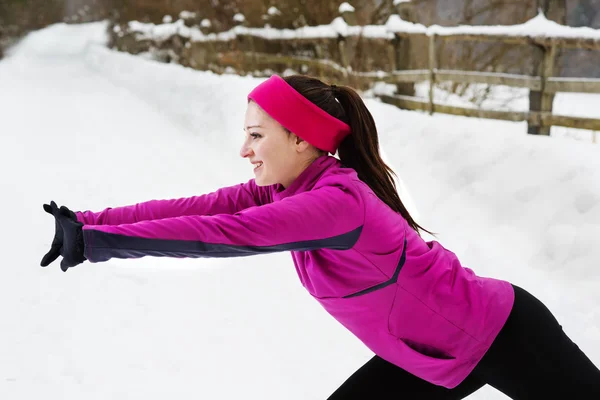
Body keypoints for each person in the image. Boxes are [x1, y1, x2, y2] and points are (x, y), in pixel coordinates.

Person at [41, 74, 599, 398]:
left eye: (256, 135)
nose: (245, 151)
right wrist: (89, 221)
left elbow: (218, 236)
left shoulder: (335, 203)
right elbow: (196, 208)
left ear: (303, 139)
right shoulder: (288, 189)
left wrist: (96, 245)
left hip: (502, 334)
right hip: (429, 357)